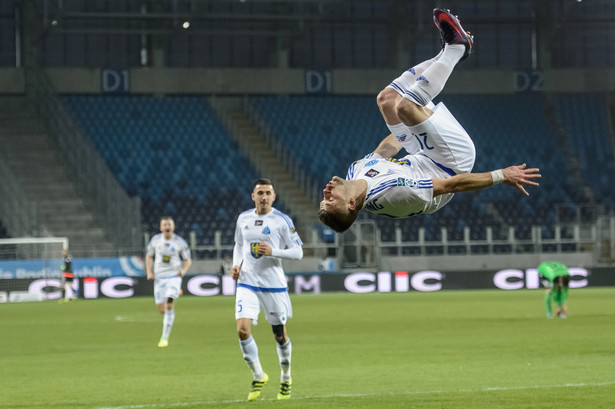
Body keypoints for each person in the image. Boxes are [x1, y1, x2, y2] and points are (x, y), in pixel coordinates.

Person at [319, 9, 541, 233]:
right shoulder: (394, 194)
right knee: (406, 107)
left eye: (324, 199)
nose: (326, 193)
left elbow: (386, 148)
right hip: (451, 164)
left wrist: (407, 129)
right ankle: (456, 48)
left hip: (422, 155)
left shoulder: (354, 172)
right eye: (331, 200)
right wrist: (501, 175)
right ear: (351, 204)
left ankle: (447, 52)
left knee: (387, 100)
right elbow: (450, 185)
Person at [230, 178, 303, 401]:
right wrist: (235, 264)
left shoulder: (282, 220)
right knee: (242, 330)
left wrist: (274, 252)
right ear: (253, 196)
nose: (263, 197)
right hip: (247, 281)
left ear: (273, 197)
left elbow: (298, 252)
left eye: (267, 193)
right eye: (259, 193)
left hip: (273, 285)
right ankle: (258, 375)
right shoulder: (243, 218)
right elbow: (239, 245)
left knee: (279, 336)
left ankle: (286, 378)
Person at [145, 216, 192, 347]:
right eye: (164, 225)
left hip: (174, 277)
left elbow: (188, 259)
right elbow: (148, 256)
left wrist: (183, 271)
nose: (167, 227)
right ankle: (175, 294)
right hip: (159, 278)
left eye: (169, 225)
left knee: (169, 304)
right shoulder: (155, 240)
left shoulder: (179, 242)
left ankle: (164, 338)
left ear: (173, 227)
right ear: (161, 227)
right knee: (161, 310)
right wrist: (149, 272)